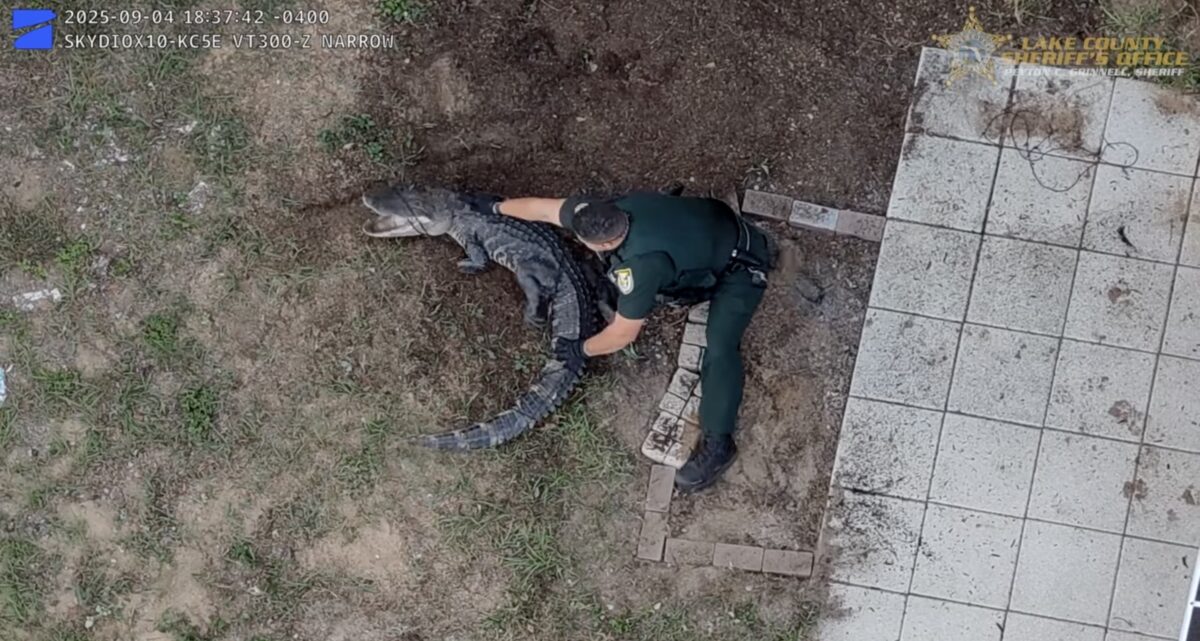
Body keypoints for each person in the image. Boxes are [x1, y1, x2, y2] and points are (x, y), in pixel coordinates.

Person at [476, 190, 776, 493]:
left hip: (741, 265)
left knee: (720, 346)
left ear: (606, 242)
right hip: (710, 225)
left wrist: (580, 349)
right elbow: (541, 209)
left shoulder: (640, 268)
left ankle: (719, 443)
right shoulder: (601, 211)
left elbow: (623, 334)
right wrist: (495, 206)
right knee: (628, 272)